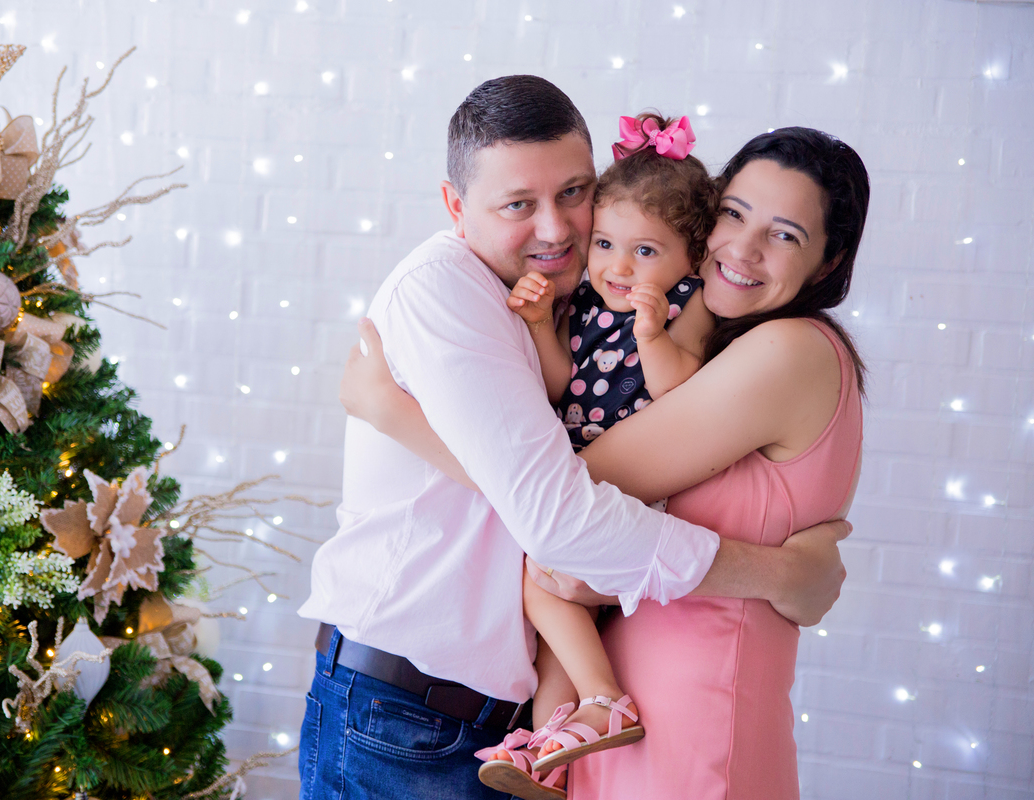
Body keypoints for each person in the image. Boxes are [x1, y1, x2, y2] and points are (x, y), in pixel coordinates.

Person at [297, 74, 849, 800]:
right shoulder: (446, 291)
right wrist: (781, 576)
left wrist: (401, 418)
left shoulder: (576, 299)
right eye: (518, 204)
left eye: (573, 193)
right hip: (403, 718)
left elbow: (548, 483)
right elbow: (556, 515)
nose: (557, 229)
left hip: (492, 724)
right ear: (456, 206)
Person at [474, 111, 721, 796]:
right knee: (557, 622)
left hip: (630, 494)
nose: (618, 266)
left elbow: (682, 392)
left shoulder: (686, 305)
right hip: (584, 488)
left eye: (645, 251)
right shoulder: (586, 298)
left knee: (540, 579)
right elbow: (563, 384)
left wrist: (651, 335)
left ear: (692, 257)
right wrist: (538, 324)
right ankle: (554, 754)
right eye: (606, 243)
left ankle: (606, 701)